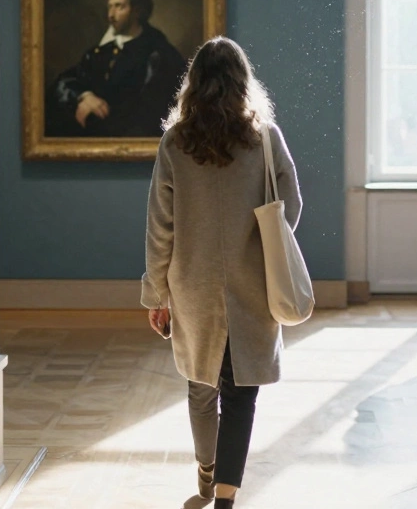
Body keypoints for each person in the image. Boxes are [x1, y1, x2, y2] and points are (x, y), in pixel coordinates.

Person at [141, 37, 301, 509]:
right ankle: (227, 496)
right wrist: (266, 245)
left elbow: (160, 225)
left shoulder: (176, 141)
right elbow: (290, 204)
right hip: (255, 278)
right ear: (242, 81)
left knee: (200, 384)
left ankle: (207, 474)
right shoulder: (264, 138)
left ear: (194, 84)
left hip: (192, 282)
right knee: (241, 390)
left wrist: (156, 294)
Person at [47, 0, 187, 137]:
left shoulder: (159, 54)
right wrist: (85, 97)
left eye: (119, 6)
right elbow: (67, 80)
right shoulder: (102, 51)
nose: (111, 15)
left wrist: (92, 114)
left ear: (137, 11)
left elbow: (148, 113)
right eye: (110, 7)